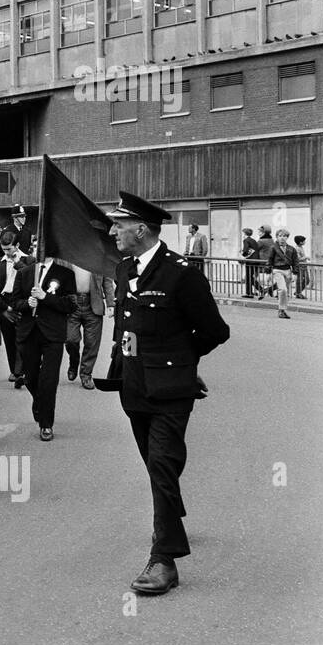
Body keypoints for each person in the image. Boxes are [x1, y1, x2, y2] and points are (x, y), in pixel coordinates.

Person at [97, 192, 230, 595]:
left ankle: (164, 559)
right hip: (134, 384)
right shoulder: (125, 269)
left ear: (141, 229)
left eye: (119, 225)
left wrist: (183, 363)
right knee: (159, 463)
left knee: (160, 463)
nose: (112, 230)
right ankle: (170, 511)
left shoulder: (180, 273)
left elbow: (215, 331)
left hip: (171, 388)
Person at [11, 254, 77, 441]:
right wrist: (26, 303)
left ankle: (46, 424)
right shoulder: (24, 273)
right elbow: (14, 302)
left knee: (48, 380)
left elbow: (71, 305)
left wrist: (44, 297)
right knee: (31, 378)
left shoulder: (65, 274)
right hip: (29, 333)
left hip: (53, 335)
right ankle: (39, 402)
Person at [0, 231, 32, 387]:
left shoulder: (28, 260)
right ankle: (15, 370)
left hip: (22, 301)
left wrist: (18, 264)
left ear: (17, 246)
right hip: (5, 302)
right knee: (9, 338)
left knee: (22, 337)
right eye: (3, 249)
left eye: (9, 249)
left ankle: (21, 370)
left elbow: (30, 279)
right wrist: (3, 308)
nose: (6, 253)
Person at [65, 265, 115, 390]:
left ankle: (86, 374)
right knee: (71, 339)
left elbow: (107, 282)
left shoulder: (97, 258)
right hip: (72, 303)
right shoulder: (67, 257)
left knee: (92, 343)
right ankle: (74, 361)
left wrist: (110, 303)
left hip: (93, 304)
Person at [266, 228, 300, 319]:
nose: (282, 238)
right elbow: (269, 260)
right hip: (277, 270)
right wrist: (268, 273)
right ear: (277, 237)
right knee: (283, 289)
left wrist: (295, 273)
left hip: (288, 271)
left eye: (284, 236)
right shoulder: (273, 248)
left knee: (286, 292)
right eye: (280, 236)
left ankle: (283, 310)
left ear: (287, 237)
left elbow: (295, 262)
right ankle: (281, 310)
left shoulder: (291, 249)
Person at [240, 227, 260, 297]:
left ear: (245, 233)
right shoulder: (253, 240)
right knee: (250, 277)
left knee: (248, 277)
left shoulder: (246, 240)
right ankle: (256, 291)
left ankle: (249, 293)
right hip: (256, 260)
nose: (242, 234)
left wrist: (242, 254)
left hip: (250, 261)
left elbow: (245, 250)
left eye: (243, 233)